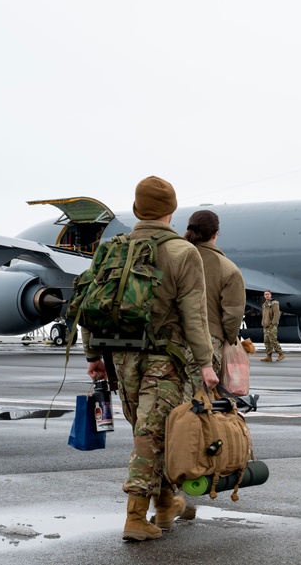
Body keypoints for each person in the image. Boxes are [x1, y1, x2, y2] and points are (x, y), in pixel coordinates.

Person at [83, 176, 219, 542]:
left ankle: (164, 504)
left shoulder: (112, 249)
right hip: (165, 360)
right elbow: (194, 316)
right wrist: (206, 363)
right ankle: (135, 517)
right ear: (171, 211)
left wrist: (92, 355)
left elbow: (90, 304)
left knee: (148, 431)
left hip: (121, 357)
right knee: (151, 435)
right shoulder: (183, 252)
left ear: (137, 209)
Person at [184, 209, 246, 380]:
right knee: (201, 394)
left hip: (171, 342)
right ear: (215, 234)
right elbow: (233, 314)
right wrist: (229, 338)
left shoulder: (177, 258)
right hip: (208, 341)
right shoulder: (228, 269)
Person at [259, 290, 284, 362]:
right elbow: (264, 315)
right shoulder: (264, 305)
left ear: (270, 295)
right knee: (266, 341)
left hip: (271, 325)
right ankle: (269, 356)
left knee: (273, 340)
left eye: (268, 294)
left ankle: (281, 353)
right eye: (265, 294)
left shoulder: (274, 303)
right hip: (266, 325)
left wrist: (273, 324)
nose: (267, 295)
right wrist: (263, 323)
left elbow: (277, 314)